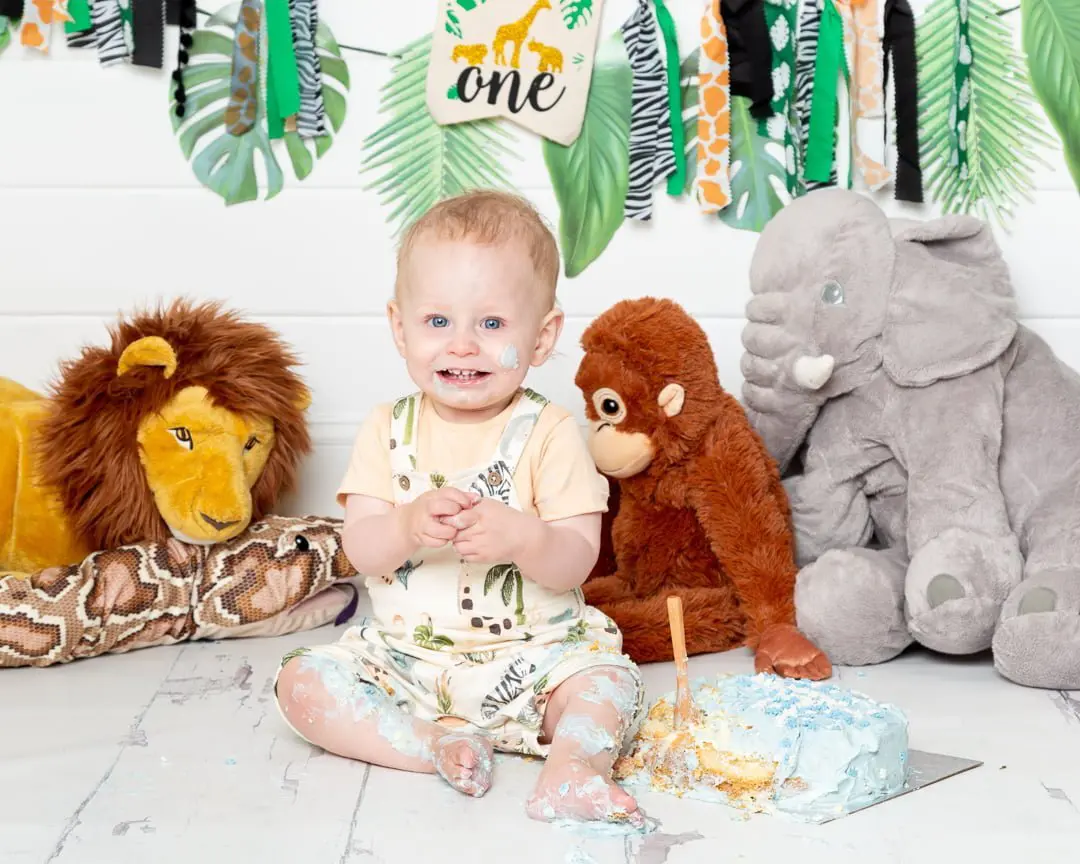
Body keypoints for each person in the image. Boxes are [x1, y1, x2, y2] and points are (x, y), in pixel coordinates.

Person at [273, 189, 646, 826]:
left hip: (535, 661)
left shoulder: (550, 431)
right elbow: (359, 549)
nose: (463, 345)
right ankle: (436, 745)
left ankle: (572, 770)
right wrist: (406, 524)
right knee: (299, 685)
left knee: (609, 686)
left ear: (542, 335)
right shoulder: (387, 428)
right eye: (438, 322)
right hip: (405, 665)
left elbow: (577, 559)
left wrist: (524, 540)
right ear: (400, 326)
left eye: (493, 324)